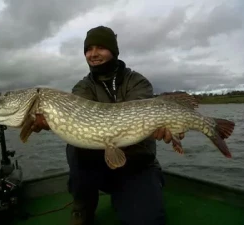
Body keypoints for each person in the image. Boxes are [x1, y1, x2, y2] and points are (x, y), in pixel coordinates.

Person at [32, 26, 184, 225]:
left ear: (113, 51)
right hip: (96, 165)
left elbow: (141, 117)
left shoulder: (137, 82)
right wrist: (52, 120)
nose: (93, 54)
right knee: (75, 147)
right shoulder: (82, 87)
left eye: (101, 48)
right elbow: (78, 122)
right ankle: (83, 203)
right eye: (89, 49)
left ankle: (137, 192)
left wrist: (160, 126)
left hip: (136, 164)